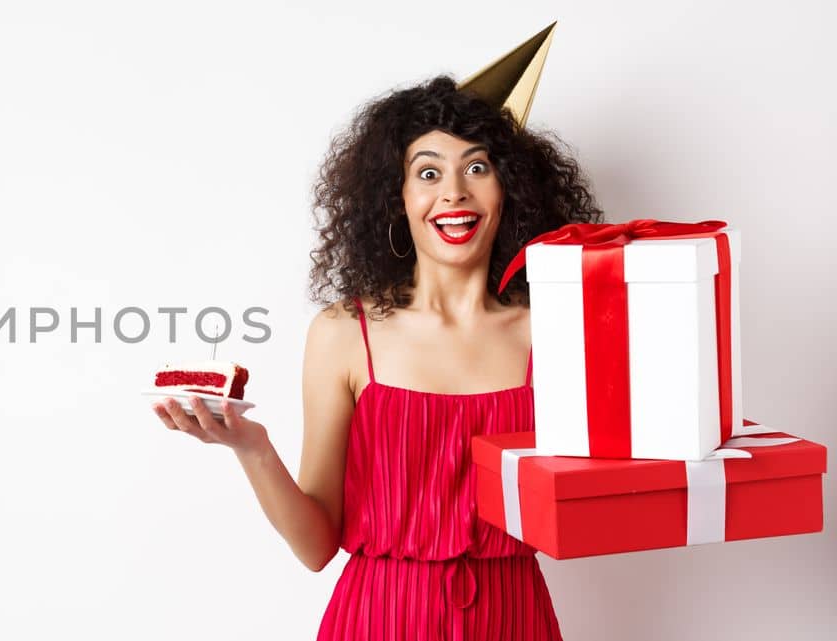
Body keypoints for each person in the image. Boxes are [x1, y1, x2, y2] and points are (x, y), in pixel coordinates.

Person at [151, 75, 603, 639]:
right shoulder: (344, 334)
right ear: (398, 198)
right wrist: (253, 447)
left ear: (509, 189)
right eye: (429, 172)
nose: (455, 192)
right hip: (380, 619)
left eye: (478, 167)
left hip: (514, 617)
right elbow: (317, 548)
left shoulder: (561, 332)